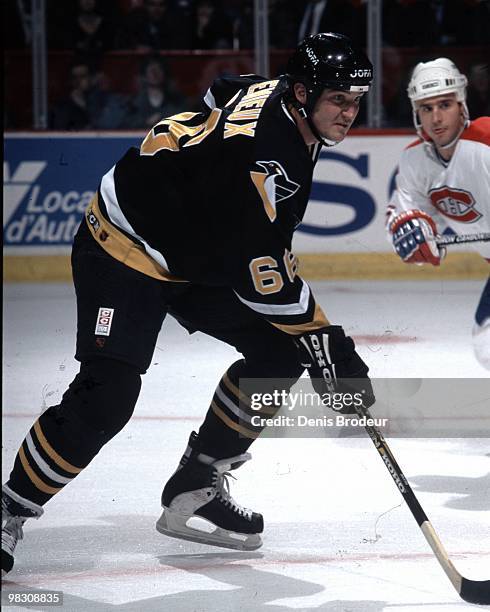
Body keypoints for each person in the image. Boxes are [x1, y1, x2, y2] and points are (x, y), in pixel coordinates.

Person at [2, 33, 375, 574]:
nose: (350, 113)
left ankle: (195, 485)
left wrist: (316, 346)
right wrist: (331, 347)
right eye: (338, 100)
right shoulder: (262, 156)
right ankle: (10, 507)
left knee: (279, 357)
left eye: (355, 100)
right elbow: (262, 276)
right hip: (125, 247)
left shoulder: (281, 103)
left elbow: (221, 91)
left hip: (194, 251)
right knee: (108, 393)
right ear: (301, 93)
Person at [386, 58, 490, 370]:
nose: (436, 117)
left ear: (461, 105)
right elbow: (404, 218)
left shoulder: (486, 141)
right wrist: (415, 235)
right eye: (426, 108)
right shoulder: (414, 160)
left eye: (445, 105)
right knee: (486, 344)